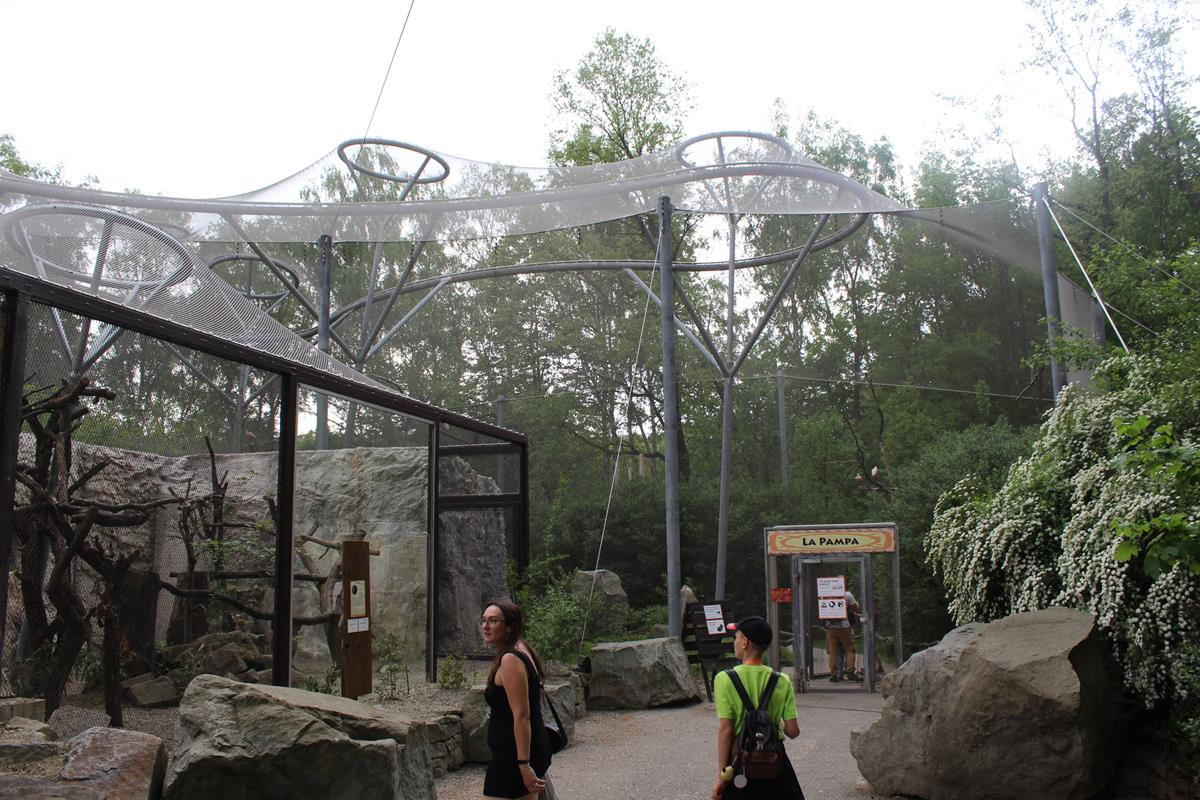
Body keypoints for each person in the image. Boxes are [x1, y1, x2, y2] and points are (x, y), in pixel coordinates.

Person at [711, 616, 805, 800]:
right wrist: (775, 720)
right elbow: (793, 731)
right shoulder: (782, 680)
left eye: (736, 637)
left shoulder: (724, 679)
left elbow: (726, 730)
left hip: (740, 764)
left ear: (744, 642)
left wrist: (722, 776)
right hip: (774, 762)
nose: (735, 642)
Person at [481, 599, 551, 799]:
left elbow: (522, 715)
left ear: (510, 626)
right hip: (523, 749)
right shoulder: (521, 647)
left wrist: (524, 765)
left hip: (513, 756)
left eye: (493, 621)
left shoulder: (510, 659)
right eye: (484, 620)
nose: (485, 626)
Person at [826, 590, 861, 682]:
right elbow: (856, 608)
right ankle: (850, 672)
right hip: (843, 626)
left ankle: (833, 675)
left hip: (830, 626)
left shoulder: (826, 593)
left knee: (833, 651)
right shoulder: (847, 594)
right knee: (850, 649)